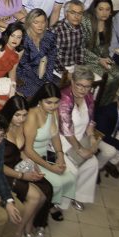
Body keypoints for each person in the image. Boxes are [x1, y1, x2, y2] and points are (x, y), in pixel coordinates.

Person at [0, 95, 53, 237]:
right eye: (17, 115)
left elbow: (21, 152)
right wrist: (22, 176)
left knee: (45, 190)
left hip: (18, 166)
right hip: (3, 172)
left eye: (24, 115)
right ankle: (15, 235)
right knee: (35, 196)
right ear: (10, 113)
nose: (21, 119)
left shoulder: (21, 126)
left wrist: (32, 165)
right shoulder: (1, 129)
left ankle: (28, 225)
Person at [22, 83, 78, 220]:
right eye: (49, 102)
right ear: (40, 100)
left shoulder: (52, 112)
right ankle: (43, 209)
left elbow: (55, 136)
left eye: (56, 102)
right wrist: (51, 167)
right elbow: (27, 149)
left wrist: (60, 156)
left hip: (46, 152)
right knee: (57, 182)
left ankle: (50, 203)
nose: (53, 106)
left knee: (70, 176)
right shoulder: (32, 116)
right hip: (31, 156)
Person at [57, 66, 101, 210]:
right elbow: (66, 129)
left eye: (87, 87)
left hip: (80, 140)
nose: (83, 90)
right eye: (79, 85)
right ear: (72, 81)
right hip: (62, 142)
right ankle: (60, 203)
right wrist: (81, 150)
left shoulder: (88, 98)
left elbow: (91, 121)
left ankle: (78, 196)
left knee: (93, 164)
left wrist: (92, 138)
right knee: (73, 170)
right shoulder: (64, 98)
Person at [81, 0, 119, 105]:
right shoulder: (86, 21)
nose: (104, 13)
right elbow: (80, 48)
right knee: (108, 79)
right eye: (101, 9)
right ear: (94, 9)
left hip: (101, 58)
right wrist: (98, 60)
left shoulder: (109, 22)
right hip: (85, 59)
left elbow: (105, 46)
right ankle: (96, 104)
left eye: (107, 9)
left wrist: (106, 58)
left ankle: (106, 103)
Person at [18, 9, 58, 96]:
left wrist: (48, 79)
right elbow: (23, 64)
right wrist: (39, 81)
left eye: (43, 22)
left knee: (56, 87)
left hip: (42, 70)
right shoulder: (23, 39)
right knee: (38, 92)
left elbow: (51, 59)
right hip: (24, 73)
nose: (40, 26)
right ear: (29, 23)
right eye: (36, 22)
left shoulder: (50, 36)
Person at [0, 22, 23, 110]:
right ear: (7, 35)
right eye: (12, 35)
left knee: (14, 109)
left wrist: (13, 92)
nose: (15, 39)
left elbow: (12, 72)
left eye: (19, 37)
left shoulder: (19, 51)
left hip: (3, 84)